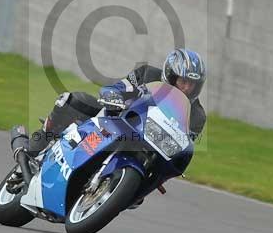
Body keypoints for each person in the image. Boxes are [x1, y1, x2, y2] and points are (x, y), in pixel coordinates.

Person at [28, 49, 207, 156]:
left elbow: (182, 148)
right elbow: (117, 87)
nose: (186, 88)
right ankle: (40, 142)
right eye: (182, 81)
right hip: (117, 119)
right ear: (170, 75)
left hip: (146, 146)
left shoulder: (197, 116)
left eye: (191, 84)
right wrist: (114, 96)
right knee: (73, 100)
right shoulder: (147, 75)